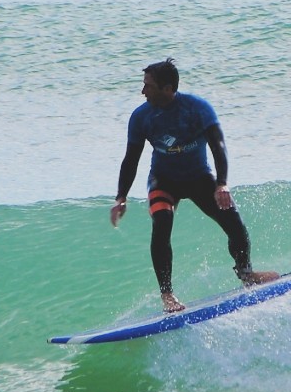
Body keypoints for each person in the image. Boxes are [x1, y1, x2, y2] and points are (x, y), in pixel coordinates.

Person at [110, 59, 278, 312]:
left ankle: (246, 274)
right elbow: (131, 159)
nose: (143, 91)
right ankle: (167, 295)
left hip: (199, 178)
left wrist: (222, 184)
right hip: (163, 180)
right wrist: (120, 197)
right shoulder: (141, 117)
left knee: (234, 224)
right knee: (162, 222)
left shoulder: (197, 108)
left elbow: (218, 146)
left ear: (168, 89)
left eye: (149, 86)